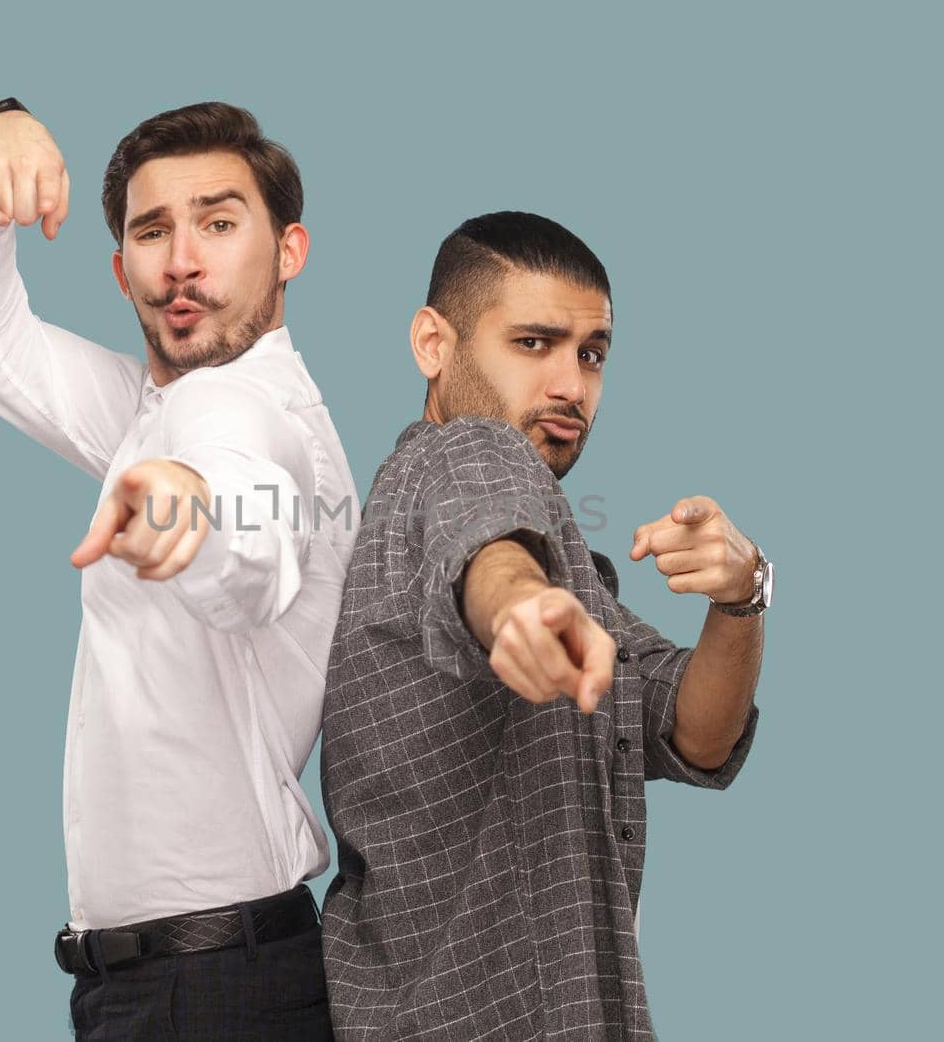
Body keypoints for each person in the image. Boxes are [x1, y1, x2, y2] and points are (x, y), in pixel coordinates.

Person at [0, 99, 357, 1040]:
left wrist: (194, 521)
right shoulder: (149, 409)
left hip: (219, 990)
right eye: (154, 231)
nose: (182, 259)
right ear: (121, 269)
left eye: (220, 223)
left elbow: (255, 547)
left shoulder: (249, 410)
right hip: (164, 987)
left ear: (290, 250)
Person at [319, 212, 770, 1040]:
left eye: (591, 353)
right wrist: (518, 603)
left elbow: (697, 733)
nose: (571, 383)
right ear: (433, 344)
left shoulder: (564, 569)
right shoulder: (459, 457)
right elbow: (487, 544)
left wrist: (742, 597)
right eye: (534, 343)